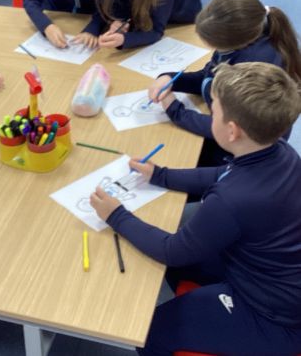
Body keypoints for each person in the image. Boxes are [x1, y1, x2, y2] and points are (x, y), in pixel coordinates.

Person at [91, 62, 301, 356]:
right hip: (271, 275)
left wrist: (116, 215)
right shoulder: (281, 152)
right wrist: (161, 175)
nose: (210, 113)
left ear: (232, 131)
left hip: (274, 318)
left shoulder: (230, 201)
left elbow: (172, 250)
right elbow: (222, 174)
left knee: (148, 334)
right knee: (176, 268)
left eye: (213, 109)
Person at [148, 0, 301, 166]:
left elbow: (228, 127)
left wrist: (175, 110)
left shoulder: (255, 69)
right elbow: (209, 76)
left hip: (241, 151)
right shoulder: (237, 47)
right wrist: (171, 79)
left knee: (180, 156)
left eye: (212, 44)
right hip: (229, 132)